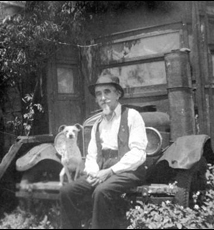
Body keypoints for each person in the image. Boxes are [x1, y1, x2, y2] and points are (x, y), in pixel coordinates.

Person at [59, 74, 148, 229]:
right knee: (67, 191)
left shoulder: (132, 116)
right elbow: (92, 155)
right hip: (101, 171)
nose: (103, 97)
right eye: (99, 94)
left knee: (101, 192)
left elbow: (138, 153)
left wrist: (110, 171)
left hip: (128, 170)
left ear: (118, 94)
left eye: (107, 92)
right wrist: (94, 173)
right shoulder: (97, 123)